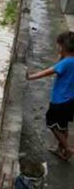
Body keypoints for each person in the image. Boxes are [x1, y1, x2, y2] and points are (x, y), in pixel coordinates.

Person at [27, 31, 74, 161]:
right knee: (63, 125)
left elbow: (48, 71)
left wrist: (30, 77)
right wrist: (62, 55)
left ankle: (68, 148)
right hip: (71, 100)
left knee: (52, 124)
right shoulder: (70, 61)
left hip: (59, 101)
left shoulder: (65, 63)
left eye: (58, 46)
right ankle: (61, 149)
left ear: (62, 47)